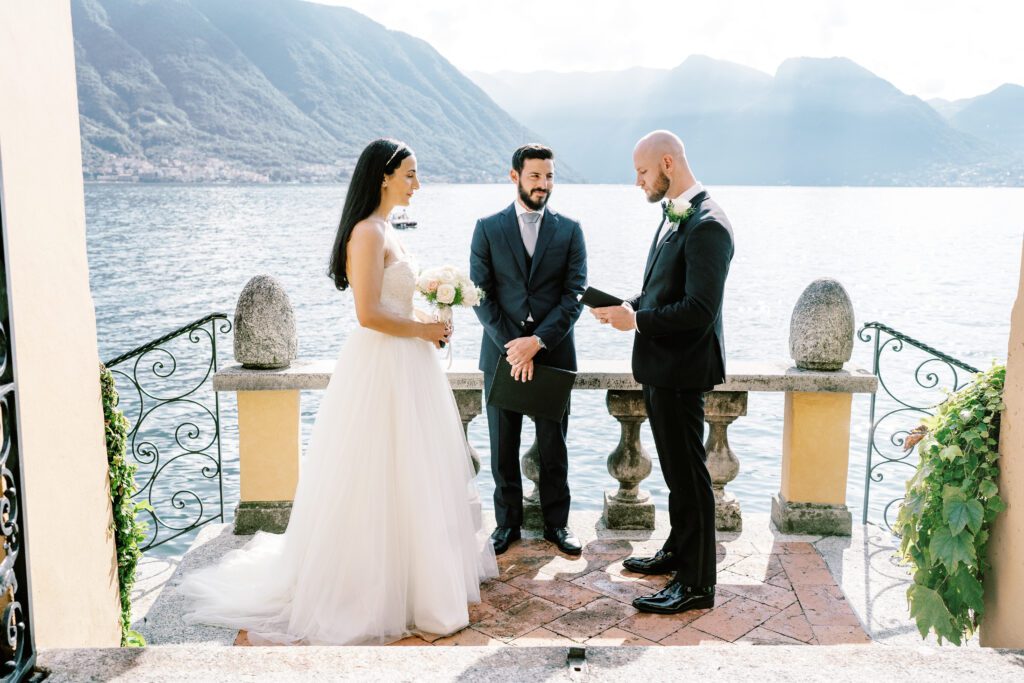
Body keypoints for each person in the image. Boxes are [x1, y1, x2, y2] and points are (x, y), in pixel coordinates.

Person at [179, 138, 497, 644]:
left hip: (407, 365)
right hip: (382, 367)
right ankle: (371, 590)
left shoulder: (387, 228)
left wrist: (426, 319)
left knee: (411, 474)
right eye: (411, 174)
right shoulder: (367, 233)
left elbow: (392, 304)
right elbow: (369, 314)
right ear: (385, 176)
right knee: (376, 475)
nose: (419, 184)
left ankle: (416, 582)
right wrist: (423, 332)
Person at [593, 130, 734, 614]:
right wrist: (627, 306)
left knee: (691, 479)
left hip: (683, 370)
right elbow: (662, 290)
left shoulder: (709, 224)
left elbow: (699, 308)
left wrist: (639, 321)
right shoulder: (674, 216)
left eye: (642, 172)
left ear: (668, 164)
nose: (638, 182)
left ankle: (697, 585)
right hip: (660, 367)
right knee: (676, 475)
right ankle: (678, 552)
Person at [470, 144, 587, 556]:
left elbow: (574, 296)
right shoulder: (487, 228)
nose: (543, 184)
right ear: (514, 176)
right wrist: (514, 346)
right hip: (502, 357)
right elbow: (481, 296)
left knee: (554, 445)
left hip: (552, 355)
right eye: (535, 176)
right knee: (503, 445)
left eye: (550, 176)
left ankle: (558, 523)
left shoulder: (570, 229)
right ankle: (507, 525)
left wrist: (537, 342)